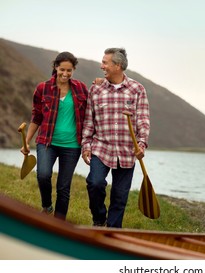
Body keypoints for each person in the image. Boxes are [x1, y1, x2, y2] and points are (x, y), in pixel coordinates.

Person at [81, 48, 150, 228]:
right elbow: (89, 120)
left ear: (118, 66)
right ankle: (99, 218)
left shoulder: (137, 89)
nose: (101, 65)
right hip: (101, 148)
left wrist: (141, 144)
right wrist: (86, 145)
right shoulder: (96, 89)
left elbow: (143, 120)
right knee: (94, 183)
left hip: (128, 151)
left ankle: (112, 232)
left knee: (120, 196)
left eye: (105, 62)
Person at [21, 52, 88, 220]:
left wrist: (100, 83)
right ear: (55, 67)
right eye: (62, 69)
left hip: (72, 145)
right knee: (43, 175)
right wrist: (26, 142)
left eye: (69, 70)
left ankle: (59, 224)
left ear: (73, 70)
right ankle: (47, 206)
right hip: (46, 142)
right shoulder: (42, 88)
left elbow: (91, 111)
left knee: (63, 187)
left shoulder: (81, 88)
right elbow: (36, 117)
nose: (65, 74)